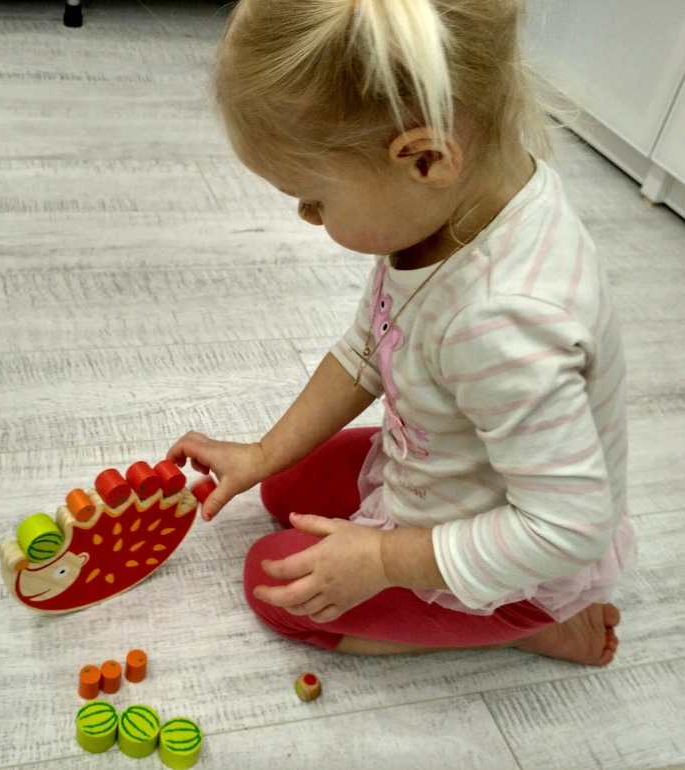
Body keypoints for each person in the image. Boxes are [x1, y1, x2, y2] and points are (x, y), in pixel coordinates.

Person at [167, 0, 636, 663]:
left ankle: (528, 623)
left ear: (423, 159)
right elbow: (367, 347)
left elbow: (568, 529)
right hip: (449, 469)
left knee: (272, 584)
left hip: (519, 559)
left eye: (315, 199)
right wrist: (264, 452)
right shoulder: (452, 204)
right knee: (282, 485)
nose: (306, 216)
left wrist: (384, 560)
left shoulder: (503, 321)